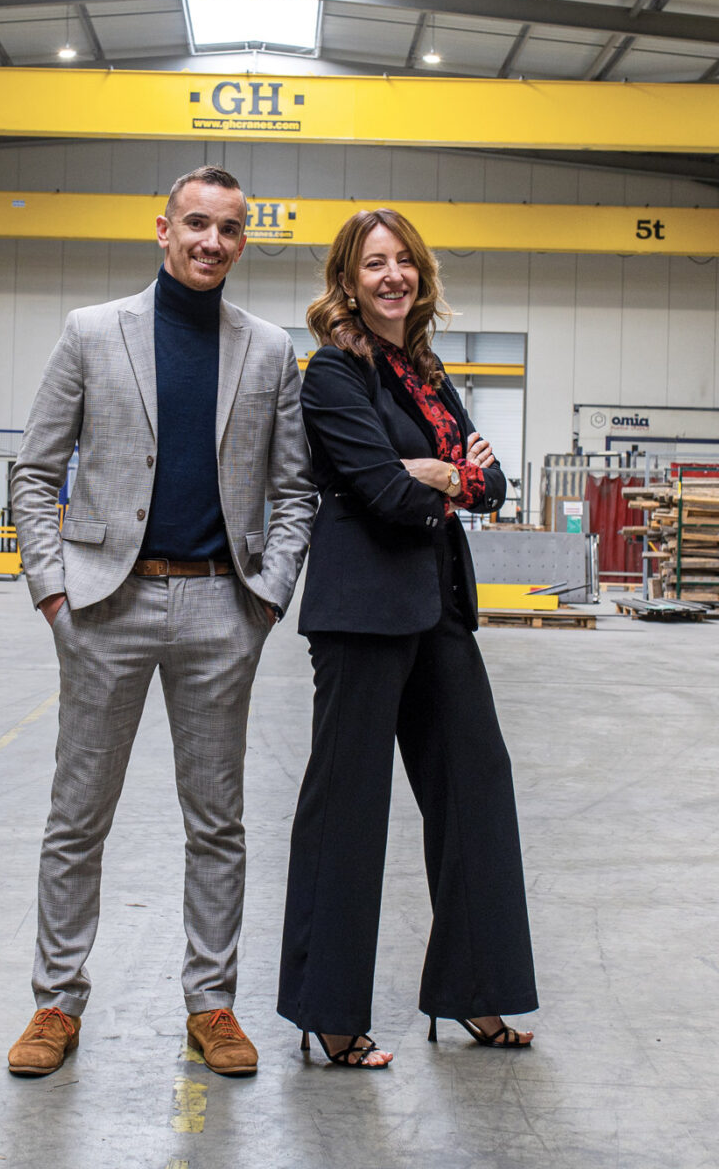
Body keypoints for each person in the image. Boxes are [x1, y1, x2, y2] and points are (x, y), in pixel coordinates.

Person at [7, 165, 316, 1079]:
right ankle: (55, 1006)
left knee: (217, 820)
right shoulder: (93, 333)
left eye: (227, 229)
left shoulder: (267, 349)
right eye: (195, 224)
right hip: (106, 604)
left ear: (242, 242)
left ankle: (212, 1004)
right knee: (78, 817)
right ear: (162, 229)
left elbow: (295, 488)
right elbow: (35, 470)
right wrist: (53, 592)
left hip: (224, 604)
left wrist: (267, 597)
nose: (209, 242)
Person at [276, 208, 537, 1068]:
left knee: (477, 792)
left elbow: (494, 483)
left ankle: (476, 991)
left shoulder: (426, 374)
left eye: (405, 262)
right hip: (361, 612)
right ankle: (330, 1014)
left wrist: (442, 474)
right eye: (373, 263)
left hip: (438, 606)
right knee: (347, 811)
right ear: (348, 280)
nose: (392, 276)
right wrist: (434, 476)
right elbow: (384, 496)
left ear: (420, 276)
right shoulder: (332, 375)